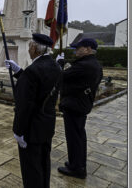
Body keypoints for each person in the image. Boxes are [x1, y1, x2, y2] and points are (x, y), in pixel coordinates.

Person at [5, 33, 62, 188]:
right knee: (43, 163)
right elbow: (40, 88)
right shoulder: (55, 66)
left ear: (35, 48)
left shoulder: (33, 70)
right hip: (46, 124)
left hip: (31, 128)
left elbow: (25, 105)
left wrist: (18, 131)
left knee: (31, 169)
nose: (29, 49)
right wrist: (19, 72)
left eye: (30, 45)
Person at [57, 38, 103, 179]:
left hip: (75, 106)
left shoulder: (86, 65)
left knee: (74, 138)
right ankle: (76, 164)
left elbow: (62, 76)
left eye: (79, 48)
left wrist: (58, 64)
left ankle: (77, 169)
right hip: (80, 105)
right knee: (78, 137)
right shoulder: (93, 64)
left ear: (88, 49)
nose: (76, 50)